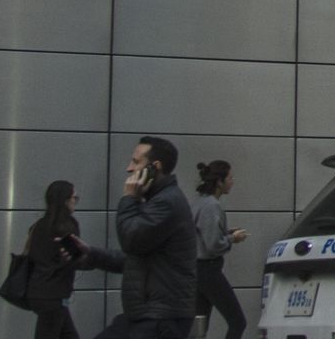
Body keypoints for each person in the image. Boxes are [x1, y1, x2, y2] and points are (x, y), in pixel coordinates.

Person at [67, 136, 198, 339]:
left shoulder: (167, 202)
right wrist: (91, 255)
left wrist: (129, 198)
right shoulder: (155, 201)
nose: (129, 168)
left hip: (160, 317)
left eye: (136, 162)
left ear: (155, 167)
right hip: (144, 314)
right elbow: (136, 258)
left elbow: (131, 241)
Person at [190, 161, 249, 339]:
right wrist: (233, 238)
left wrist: (226, 233)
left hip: (196, 269)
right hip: (208, 269)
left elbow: (203, 235)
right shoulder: (211, 205)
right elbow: (213, 245)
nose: (233, 181)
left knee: (199, 325)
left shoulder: (199, 202)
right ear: (219, 181)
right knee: (238, 322)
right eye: (230, 177)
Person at [22, 180, 84, 339]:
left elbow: (34, 257)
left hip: (38, 292)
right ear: (65, 200)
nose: (75, 202)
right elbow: (77, 257)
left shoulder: (38, 226)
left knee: (68, 334)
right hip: (55, 294)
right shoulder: (68, 226)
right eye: (74, 198)